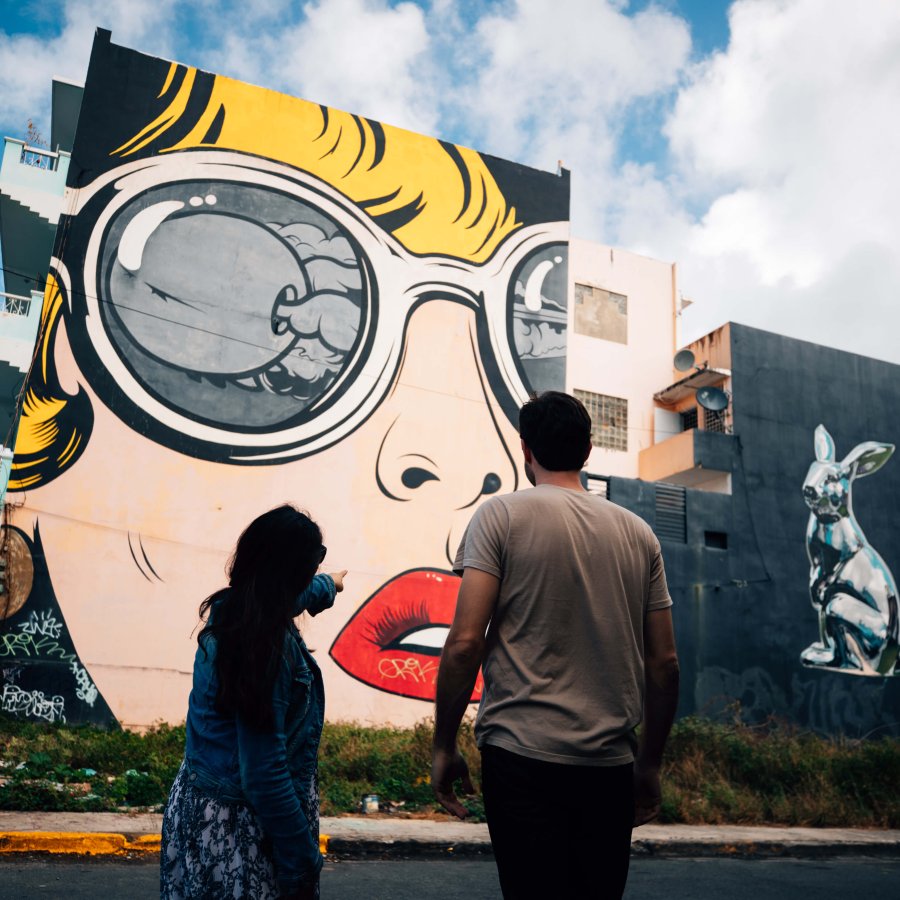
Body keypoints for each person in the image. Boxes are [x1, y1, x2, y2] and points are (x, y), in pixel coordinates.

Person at [432, 391, 680, 899]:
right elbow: (664, 663)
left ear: (526, 449)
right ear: (588, 451)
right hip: (609, 764)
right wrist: (649, 764)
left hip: (520, 758)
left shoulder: (499, 517)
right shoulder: (639, 535)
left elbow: (463, 644)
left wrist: (444, 744)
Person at [160, 504, 346, 900]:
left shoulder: (235, 607)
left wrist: (328, 586)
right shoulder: (265, 650)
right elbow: (265, 775)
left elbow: (289, 597)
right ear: (290, 576)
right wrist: (301, 858)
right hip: (240, 829)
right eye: (312, 567)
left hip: (203, 809)